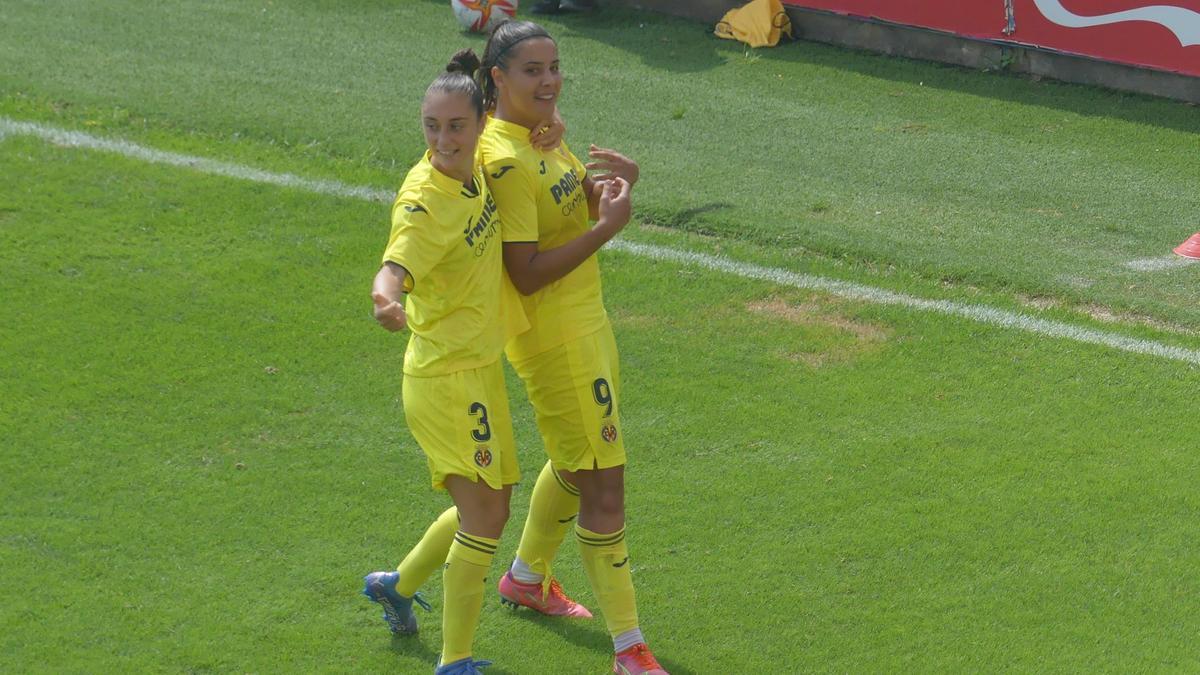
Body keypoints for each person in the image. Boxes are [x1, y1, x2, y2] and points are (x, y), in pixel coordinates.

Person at [477, 20, 668, 675]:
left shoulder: (541, 136)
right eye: (532, 70)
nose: (550, 81)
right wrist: (608, 229)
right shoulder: (502, 159)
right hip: (555, 338)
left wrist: (609, 190)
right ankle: (629, 650)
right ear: (497, 77)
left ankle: (527, 577)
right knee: (604, 489)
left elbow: (569, 202)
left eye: (554, 66)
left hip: (585, 325)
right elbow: (524, 270)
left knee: (576, 458)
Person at [359, 49, 555, 675]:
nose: (443, 140)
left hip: (476, 365)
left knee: (493, 497)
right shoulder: (423, 199)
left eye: (455, 126)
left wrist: (555, 131)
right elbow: (395, 265)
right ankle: (456, 661)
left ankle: (398, 583)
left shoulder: (475, 168)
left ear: (479, 122)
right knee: (488, 515)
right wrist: (386, 297)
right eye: (431, 127)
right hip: (443, 377)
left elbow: (518, 127)